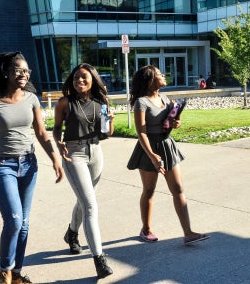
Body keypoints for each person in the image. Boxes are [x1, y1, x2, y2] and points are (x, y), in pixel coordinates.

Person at [0, 51, 64, 284]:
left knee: (24, 223)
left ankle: (16, 274)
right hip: (2, 166)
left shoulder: (31, 99)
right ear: (5, 73)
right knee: (13, 220)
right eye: (18, 70)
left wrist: (54, 158)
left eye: (26, 71)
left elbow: (42, 132)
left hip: (29, 164)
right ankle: (4, 271)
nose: (23, 74)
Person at [127, 65, 209, 246]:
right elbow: (141, 133)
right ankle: (146, 229)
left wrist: (175, 123)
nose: (163, 75)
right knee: (149, 190)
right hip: (149, 148)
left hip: (167, 144)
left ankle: (188, 233)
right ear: (150, 80)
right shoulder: (142, 102)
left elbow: (169, 122)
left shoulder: (164, 98)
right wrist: (152, 155)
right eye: (158, 73)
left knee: (178, 189)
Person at [53, 63, 114, 279]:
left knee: (84, 200)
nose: (79, 81)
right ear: (72, 80)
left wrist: (110, 123)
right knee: (90, 205)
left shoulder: (101, 102)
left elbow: (107, 133)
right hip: (74, 154)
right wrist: (59, 144)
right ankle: (99, 259)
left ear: (92, 79)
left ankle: (71, 233)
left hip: (96, 151)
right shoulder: (64, 103)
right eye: (76, 77)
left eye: (84, 77)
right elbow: (57, 128)